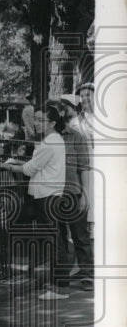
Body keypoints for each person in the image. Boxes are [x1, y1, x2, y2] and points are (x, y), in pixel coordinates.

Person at [0, 103, 69, 300]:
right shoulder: (49, 140)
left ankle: (59, 287)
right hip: (38, 195)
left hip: (46, 196)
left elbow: (29, 170)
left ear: (53, 123)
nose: (36, 123)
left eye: (41, 120)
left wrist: (6, 167)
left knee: (54, 241)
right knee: (19, 225)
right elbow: (33, 165)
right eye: (35, 119)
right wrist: (14, 163)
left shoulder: (51, 142)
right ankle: (24, 268)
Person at [58, 94, 94, 291]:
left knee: (80, 236)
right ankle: (62, 275)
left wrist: (85, 195)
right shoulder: (46, 139)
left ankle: (88, 275)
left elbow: (84, 168)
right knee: (60, 237)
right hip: (53, 194)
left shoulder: (76, 136)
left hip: (73, 192)